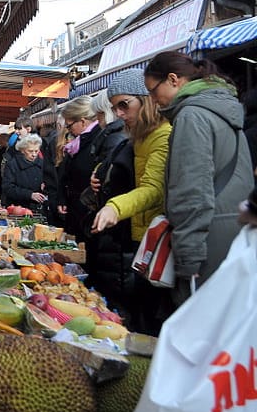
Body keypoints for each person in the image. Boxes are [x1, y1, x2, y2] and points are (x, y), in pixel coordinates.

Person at [144, 51, 254, 306]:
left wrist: (188, 255)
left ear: (173, 79)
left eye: (152, 91)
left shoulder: (191, 116)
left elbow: (191, 191)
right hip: (234, 232)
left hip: (206, 241)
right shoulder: (222, 108)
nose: (153, 100)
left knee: (199, 319)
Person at [90, 70, 170, 334]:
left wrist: (115, 207)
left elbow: (154, 189)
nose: (120, 113)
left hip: (153, 240)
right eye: (115, 108)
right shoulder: (139, 136)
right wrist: (100, 172)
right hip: (135, 238)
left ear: (145, 99)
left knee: (149, 316)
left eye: (124, 104)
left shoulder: (163, 135)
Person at [56, 96, 99, 240]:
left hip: (86, 212)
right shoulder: (79, 143)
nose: (69, 131)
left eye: (69, 126)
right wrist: (62, 197)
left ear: (83, 121)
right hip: (76, 209)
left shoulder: (97, 140)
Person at [1, 133, 55, 214]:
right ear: (22, 150)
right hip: (17, 208)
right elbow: (8, 188)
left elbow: (51, 183)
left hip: (38, 209)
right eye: (30, 151)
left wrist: (46, 186)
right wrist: (30, 195)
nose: (34, 154)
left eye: (36, 151)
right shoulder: (12, 164)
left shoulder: (43, 163)